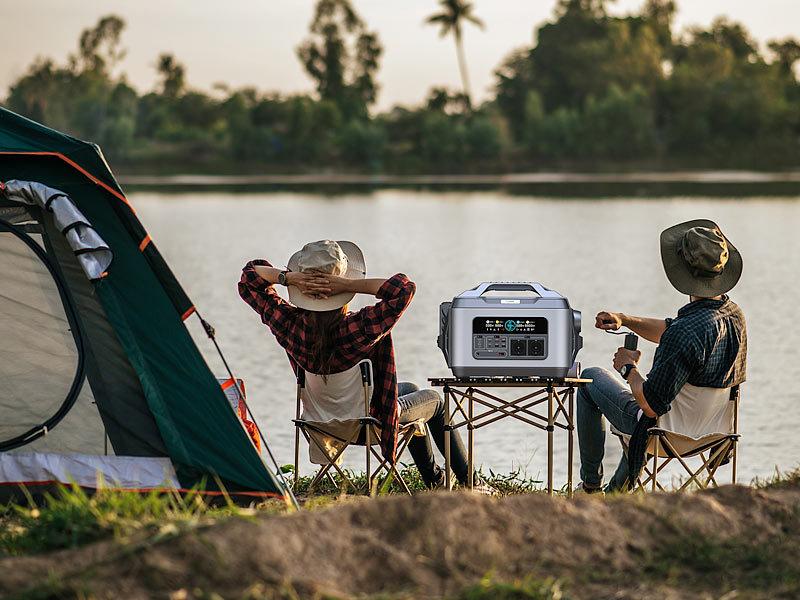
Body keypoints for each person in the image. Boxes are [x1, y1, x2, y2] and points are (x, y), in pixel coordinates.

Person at [238, 239, 493, 493]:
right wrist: (347, 284)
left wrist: (289, 279)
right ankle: (473, 483)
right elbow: (404, 288)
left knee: (410, 388)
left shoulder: (287, 324)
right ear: (341, 289)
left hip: (320, 422)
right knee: (436, 402)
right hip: (370, 424)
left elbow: (250, 277)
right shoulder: (359, 327)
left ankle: (436, 479)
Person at [576, 219, 747, 493]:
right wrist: (625, 320)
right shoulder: (734, 317)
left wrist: (628, 368)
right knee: (651, 408)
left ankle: (590, 488)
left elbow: (650, 405)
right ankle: (615, 495)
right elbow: (671, 330)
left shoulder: (684, 333)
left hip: (665, 435)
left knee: (590, 379)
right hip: (713, 434)